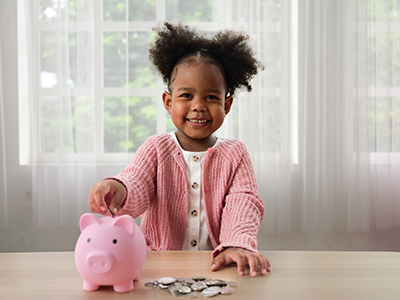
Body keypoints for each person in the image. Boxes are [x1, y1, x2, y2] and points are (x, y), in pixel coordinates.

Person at [88, 22, 271, 277]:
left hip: (217, 267)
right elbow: (137, 181)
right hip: (158, 267)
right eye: (186, 95)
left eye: (211, 97)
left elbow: (243, 201)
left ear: (227, 104)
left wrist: (237, 243)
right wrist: (120, 188)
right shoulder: (156, 148)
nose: (198, 106)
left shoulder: (235, 153)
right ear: (168, 101)